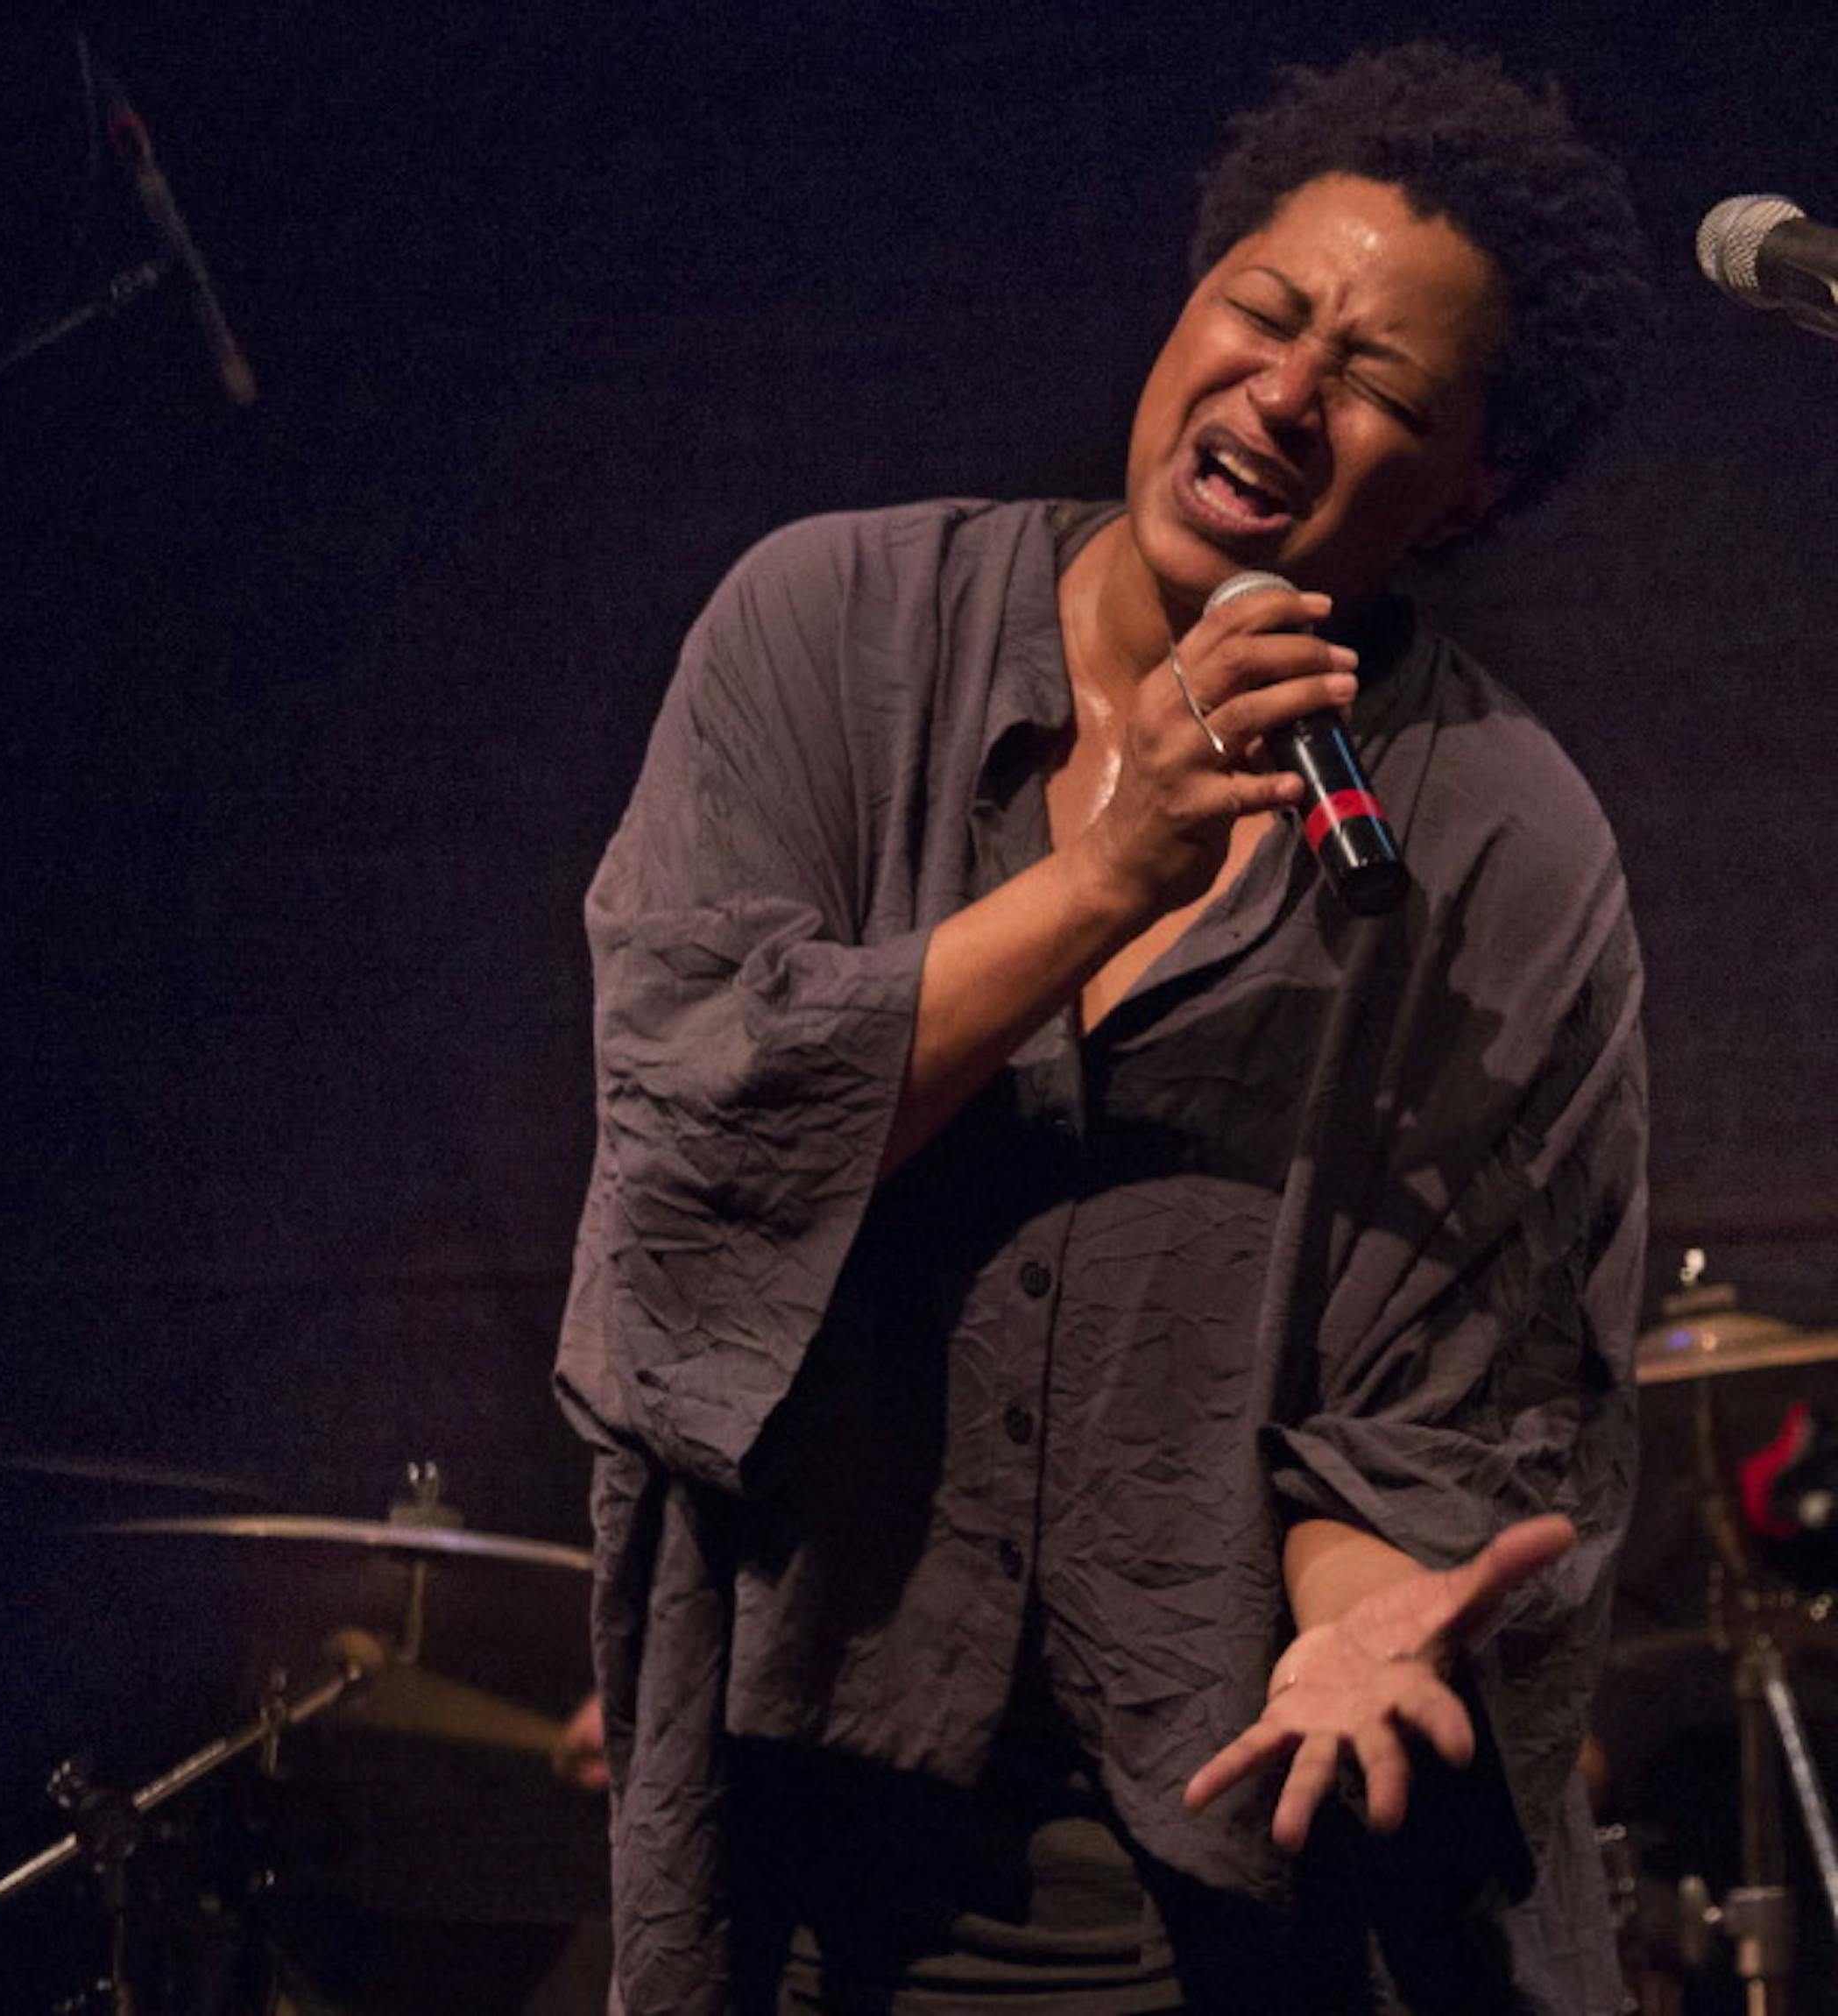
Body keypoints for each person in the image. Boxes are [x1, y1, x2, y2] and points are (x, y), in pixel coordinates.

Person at [557, 42, 1651, 2016]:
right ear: (1189, 292)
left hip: (1243, 1881)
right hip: (807, 1831)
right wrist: (1101, 877)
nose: (1290, 397)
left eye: (1387, 389)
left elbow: (1453, 1403)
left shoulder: (1506, 849)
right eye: (1265, 310)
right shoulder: (823, 629)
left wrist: (1362, 1620)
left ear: (1469, 489)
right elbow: (698, 1144)